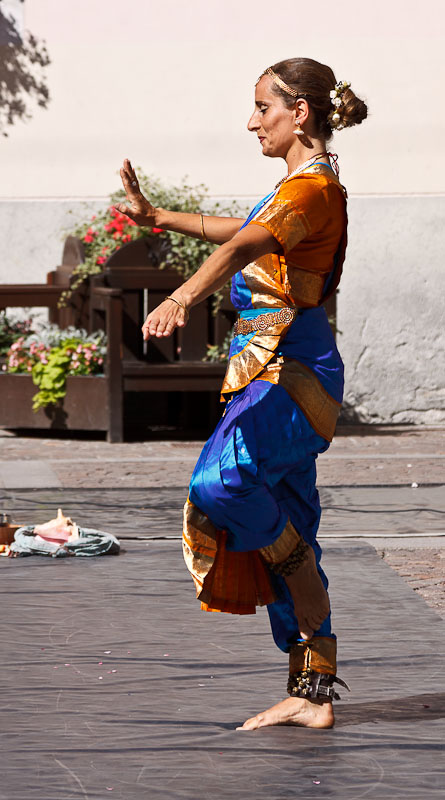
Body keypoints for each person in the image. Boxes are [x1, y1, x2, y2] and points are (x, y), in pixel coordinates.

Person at [116, 57, 367, 729]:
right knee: (288, 511)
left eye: (263, 107)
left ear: (300, 113)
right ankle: (311, 693)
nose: (252, 122)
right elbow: (240, 229)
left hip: (292, 371)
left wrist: (180, 297)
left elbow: (239, 249)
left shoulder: (312, 190)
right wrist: (156, 216)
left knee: (221, 484)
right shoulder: (298, 189)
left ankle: (299, 570)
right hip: (273, 367)